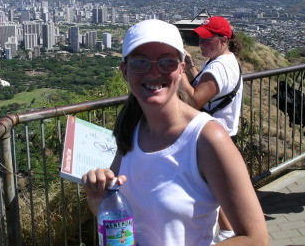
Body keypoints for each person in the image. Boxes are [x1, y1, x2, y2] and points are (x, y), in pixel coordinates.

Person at [82, 19, 268, 246]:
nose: (153, 72)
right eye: (140, 62)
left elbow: (255, 239)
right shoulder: (131, 128)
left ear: (181, 69)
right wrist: (97, 196)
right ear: (125, 71)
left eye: (166, 62)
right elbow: (110, 210)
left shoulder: (207, 138)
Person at [180, 16, 243, 242]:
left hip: (213, 136)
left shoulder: (218, 67)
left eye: (208, 40)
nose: (202, 44)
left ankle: (226, 232)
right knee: (215, 187)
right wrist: (191, 67)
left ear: (223, 40)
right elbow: (205, 89)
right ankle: (227, 230)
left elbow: (194, 101)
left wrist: (178, 73)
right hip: (222, 133)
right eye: (200, 39)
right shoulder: (225, 61)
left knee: (212, 188)